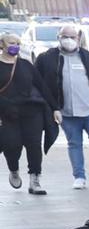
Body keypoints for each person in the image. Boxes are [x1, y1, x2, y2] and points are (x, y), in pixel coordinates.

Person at [37, 24, 89, 189]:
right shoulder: (47, 58)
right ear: (58, 38)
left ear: (78, 38)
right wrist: (52, 108)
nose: (69, 40)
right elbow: (39, 84)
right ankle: (79, 176)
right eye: (64, 36)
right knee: (74, 143)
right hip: (66, 112)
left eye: (72, 37)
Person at [0, 31, 55, 195]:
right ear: (2, 44)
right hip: (7, 112)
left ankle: (35, 179)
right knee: (12, 145)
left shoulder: (25, 64)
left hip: (32, 111)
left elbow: (41, 86)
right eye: (11, 43)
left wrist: (55, 108)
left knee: (34, 145)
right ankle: (13, 169)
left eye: (17, 43)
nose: (15, 46)